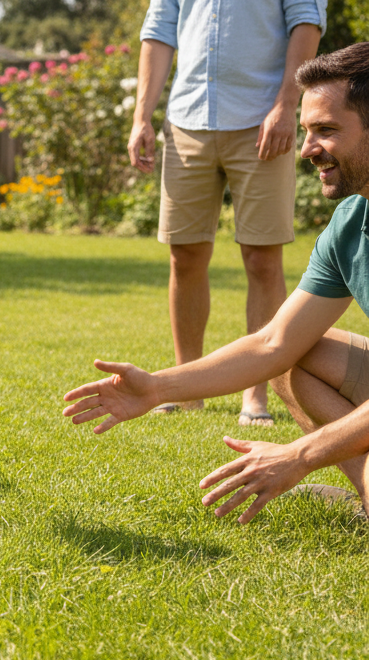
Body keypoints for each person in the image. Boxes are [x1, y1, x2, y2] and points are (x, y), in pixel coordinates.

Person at [65, 43, 369, 525]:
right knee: (297, 354)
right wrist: (158, 388)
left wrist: (299, 455)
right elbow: (273, 343)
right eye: (308, 130)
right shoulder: (351, 223)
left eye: (327, 131)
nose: (308, 149)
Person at [128, 0, 324, 426]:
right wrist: (142, 115)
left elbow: (307, 22)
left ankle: (257, 396)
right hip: (187, 120)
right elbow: (159, 30)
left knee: (262, 259)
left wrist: (286, 105)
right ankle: (186, 389)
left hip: (262, 120)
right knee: (185, 255)